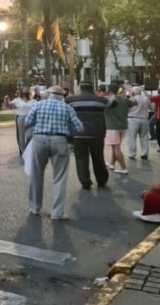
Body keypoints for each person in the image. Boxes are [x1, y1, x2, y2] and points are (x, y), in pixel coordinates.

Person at [24, 85, 84, 220]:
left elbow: (27, 123)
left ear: (49, 94)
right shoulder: (68, 108)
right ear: (63, 96)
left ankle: (34, 207)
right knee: (60, 177)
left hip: (39, 140)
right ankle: (57, 213)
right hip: (60, 141)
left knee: (36, 175)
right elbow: (80, 128)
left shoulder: (38, 105)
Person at [67, 82, 115, 190]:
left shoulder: (71, 100)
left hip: (78, 134)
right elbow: (113, 103)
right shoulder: (100, 100)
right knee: (98, 158)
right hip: (96, 134)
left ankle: (85, 181)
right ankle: (101, 180)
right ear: (92, 89)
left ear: (80, 89)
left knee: (81, 158)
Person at [104, 83, 134, 174]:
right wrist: (131, 94)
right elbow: (134, 103)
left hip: (112, 126)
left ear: (108, 90)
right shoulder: (125, 99)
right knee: (116, 146)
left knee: (116, 147)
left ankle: (123, 168)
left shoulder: (107, 100)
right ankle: (112, 164)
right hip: (123, 126)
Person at [126, 86, 151, 160]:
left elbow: (127, 109)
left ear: (133, 92)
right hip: (144, 119)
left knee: (132, 137)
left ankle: (132, 154)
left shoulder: (130, 99)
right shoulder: (146, 99)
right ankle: (144, 153)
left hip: (132, 120)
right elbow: (152, 108)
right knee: (144, 137)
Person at [9, 91, 36, 156]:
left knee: (30, 134)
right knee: (21, 135)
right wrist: (6, 100)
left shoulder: (33, 101)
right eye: (23, 91)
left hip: (30, 117)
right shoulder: (17, 100)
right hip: (21, 117)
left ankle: (27, 148)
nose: (24, 92)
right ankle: (23, 151)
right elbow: (10, 105)